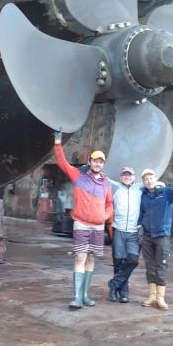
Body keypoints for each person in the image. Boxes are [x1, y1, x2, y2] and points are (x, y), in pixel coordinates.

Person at [53, 130, 113, 310]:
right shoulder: (78, 176)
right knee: (80, 256)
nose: (97, 163)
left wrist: (104, 216)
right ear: (90, 162)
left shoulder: (106, 183)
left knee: (91, 258)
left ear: (103, 164)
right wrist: (58, 142)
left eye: (100, 161)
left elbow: (110, 204)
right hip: (81, 224)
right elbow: (62, 163)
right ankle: (77, 297)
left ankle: (85, 295)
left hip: (98, 226)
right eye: (95, 160)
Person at [138, 168, 173, 310]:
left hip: (161, 235)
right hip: (147, 235)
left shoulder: (166, 192)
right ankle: (151, 296)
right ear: (143, 182)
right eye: (145, 179)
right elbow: (141, 214)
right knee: (150, 265)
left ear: (155, 179)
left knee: (161, 265)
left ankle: (160, 298)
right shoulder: (143, 196)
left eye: (150, 178)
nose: (148, 181)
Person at [108, 167, 142, 303]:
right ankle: (123, 293)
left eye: (129, 175)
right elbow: (102, 178)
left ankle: (114, 284)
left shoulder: (140, 188)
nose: (127, 177)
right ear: (120, 177)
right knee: (118, 261)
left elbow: (157, 183)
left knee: (133, 259)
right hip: (119, 229)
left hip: (134, 231)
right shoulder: (115, 187)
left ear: (134, 177)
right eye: (124, 175)